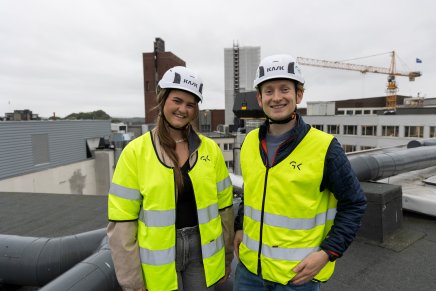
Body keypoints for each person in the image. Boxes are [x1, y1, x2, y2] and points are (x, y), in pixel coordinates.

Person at [233, 54, 367, 291]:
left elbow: (354, 202)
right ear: (259, 97)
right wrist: (240, 226)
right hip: (249, 272)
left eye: (284, 89)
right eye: (269, 90)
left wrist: (327, 253)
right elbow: (251, 191)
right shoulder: (249, 142)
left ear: (299, 95)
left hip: (295, 278)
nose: (276, 98)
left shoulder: (325, 148)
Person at [107, 66, 234, 291]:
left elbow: (224, 208)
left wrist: (225, 256)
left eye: (190, 104)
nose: (183, 109)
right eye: (177, 100)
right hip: (159, 255)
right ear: (162, 99)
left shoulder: (211, 150)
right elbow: (122, 221)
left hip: (202, 251)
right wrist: (132, 280)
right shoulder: (136, 152)